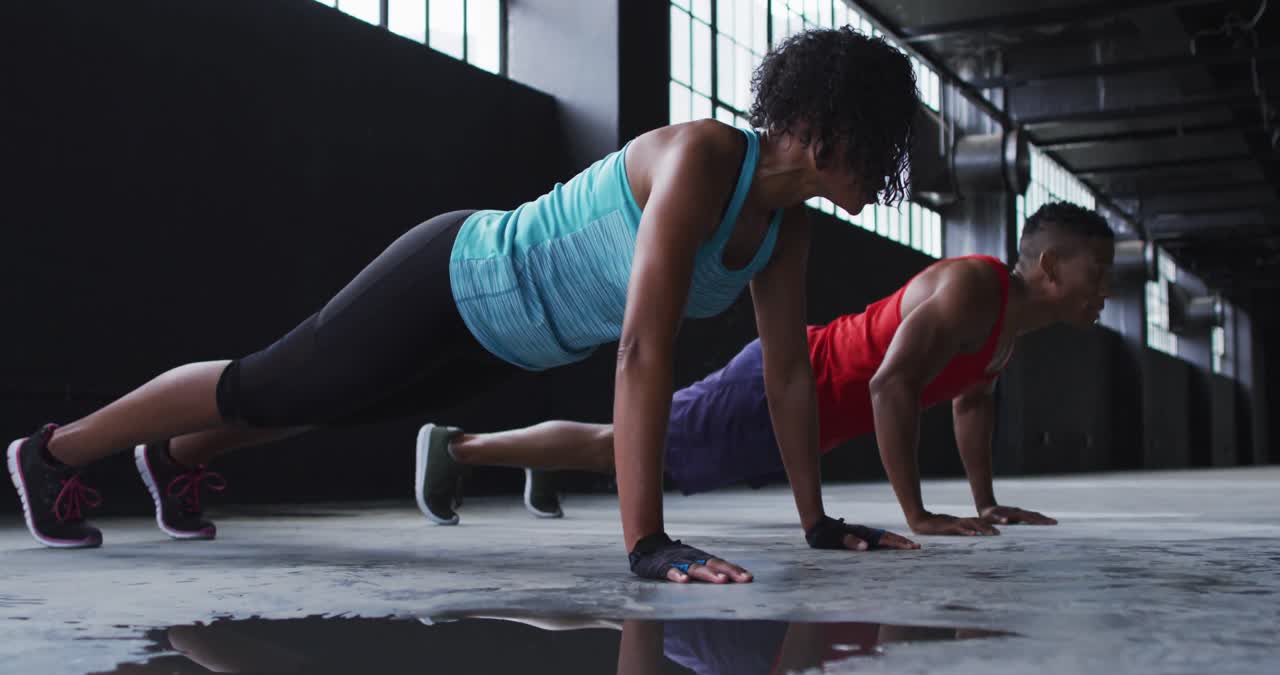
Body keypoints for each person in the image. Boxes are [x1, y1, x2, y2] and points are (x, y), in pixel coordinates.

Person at [6, 27, 919, 583]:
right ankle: (53, 454)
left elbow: (790, 375)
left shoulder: (787, 232)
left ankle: (175, 457)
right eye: (880, 155)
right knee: (266, 381)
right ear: (826, 127)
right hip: (460, 276)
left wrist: (818, 523)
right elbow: (644, 348)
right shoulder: (704, 156)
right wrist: (647, 542)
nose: (885, 181)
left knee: (320, 403)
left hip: (507, 344)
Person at [416, 202, 1113, 539]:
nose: (1106, 289)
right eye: (1099, 271)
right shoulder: (972, 289)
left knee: (625, 452)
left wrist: (985, 500)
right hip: (778, 388)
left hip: (801, 419)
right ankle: (458, 448)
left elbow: (970, 406)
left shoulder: (1006, 332)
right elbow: (889, 385)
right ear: (1050, 267)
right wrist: (918, 514)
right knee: (618, 449)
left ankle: (541, 462)